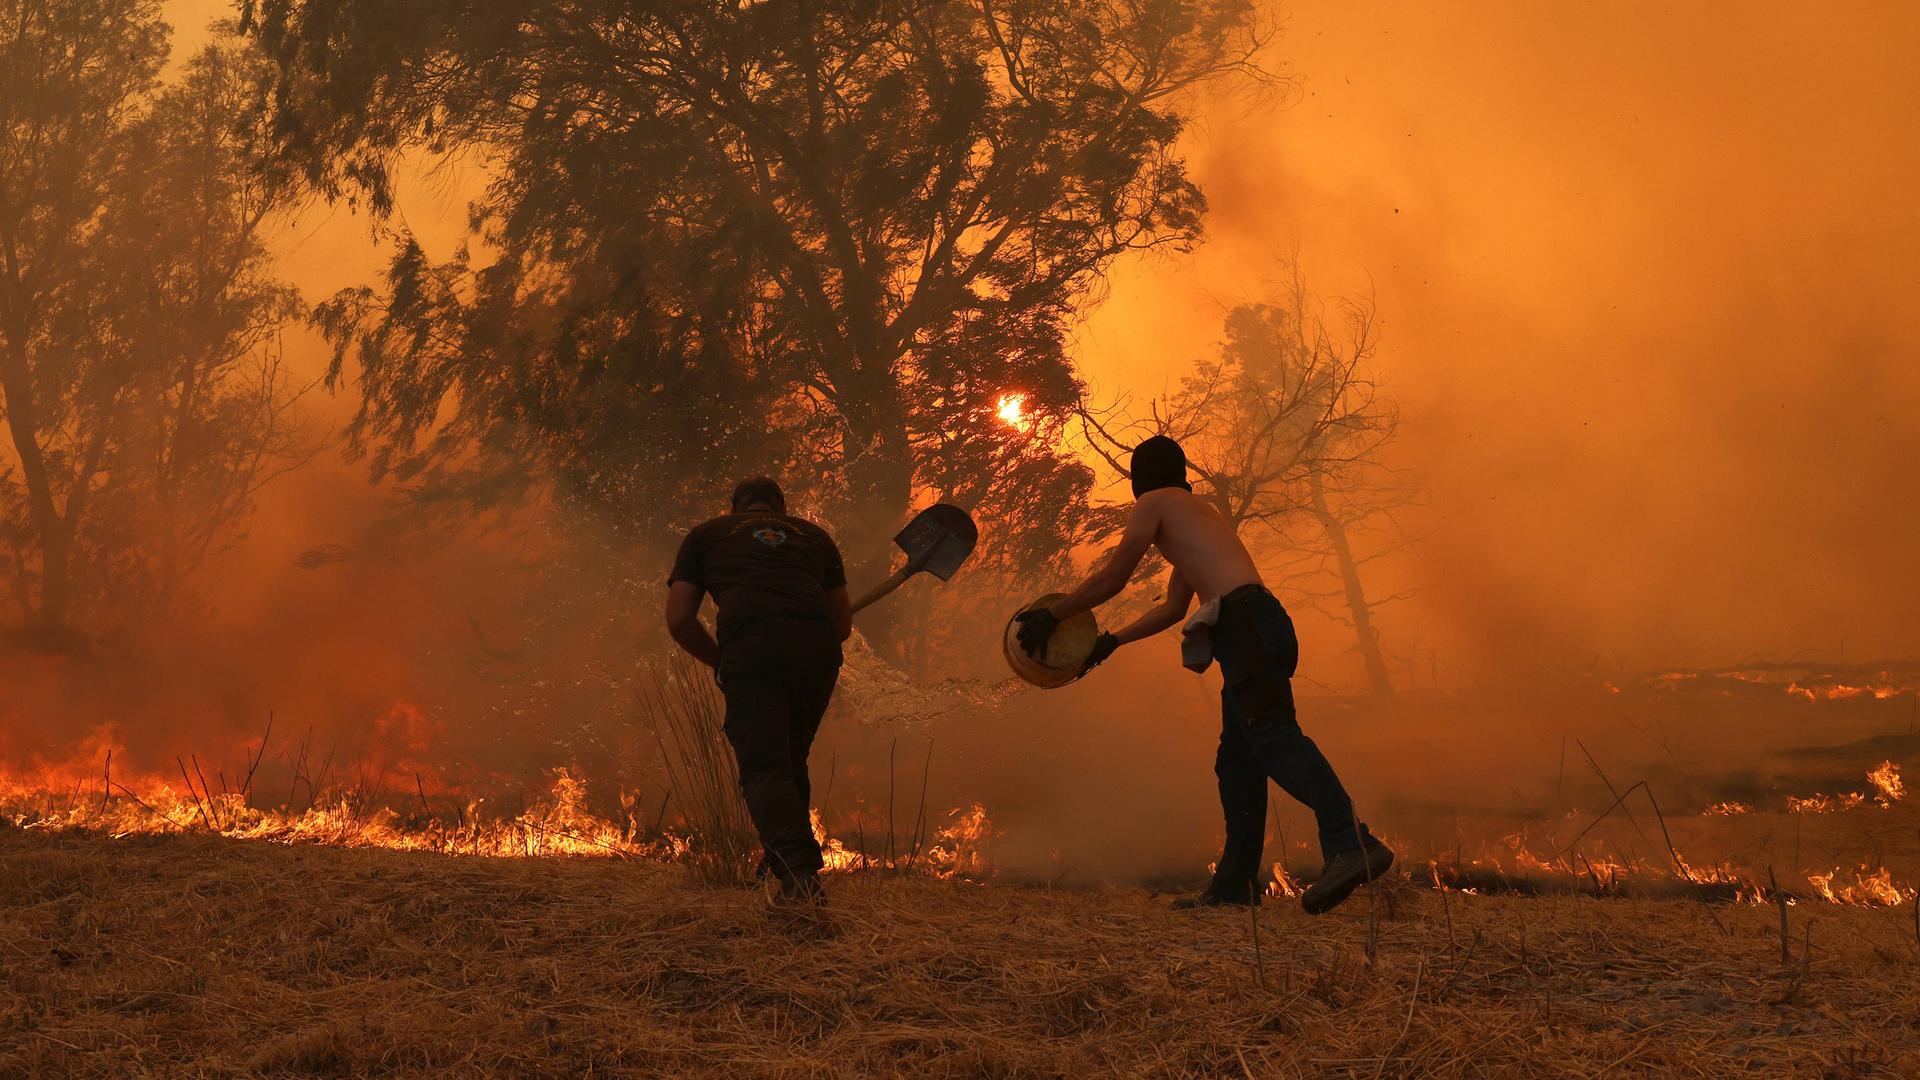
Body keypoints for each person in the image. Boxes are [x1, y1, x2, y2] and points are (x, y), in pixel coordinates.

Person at [1015, 436, 1393, 914]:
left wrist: (1057, 615)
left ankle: (1351, 844)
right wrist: (1108, 642)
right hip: (1256, 625)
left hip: (1248, 626)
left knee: (1274, 738)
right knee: (1238, 762)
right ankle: (1234, 885)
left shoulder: (1155, 502)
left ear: (1139, 480)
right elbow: (1174, 608)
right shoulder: (1196, 515)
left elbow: (1114, 577)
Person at [665, 477, 852, 906]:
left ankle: (798, 877)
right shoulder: (816, 537)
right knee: (788, 757)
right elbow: (841, 626)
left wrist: (721, 662)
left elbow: (679, 621)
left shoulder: (706, 535)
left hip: (751, 648)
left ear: (735, 509)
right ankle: (777, 862)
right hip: (817, 651)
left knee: (765, 764)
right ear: (780, 510)